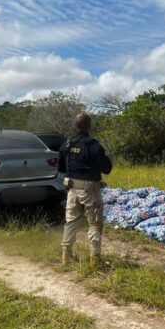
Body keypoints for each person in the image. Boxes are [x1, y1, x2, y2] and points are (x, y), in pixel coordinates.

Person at [58, 112, 112, 265]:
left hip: (72, 189)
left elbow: (60, 167)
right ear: (90, 126)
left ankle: (66, 257)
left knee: (71, 222)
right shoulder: (93, 145)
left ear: (75, 125)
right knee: (94, 223)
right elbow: (107, 168)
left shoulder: (67, 144)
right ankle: (95, 259)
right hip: (90, 190)